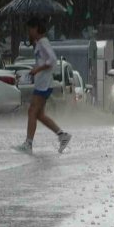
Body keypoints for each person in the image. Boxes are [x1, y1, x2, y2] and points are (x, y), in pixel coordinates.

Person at [14, 17, 71, 154]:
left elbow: (52, 60)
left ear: (35, 29)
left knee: (32, 112)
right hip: (42, 83)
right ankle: (62, 135)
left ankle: (28, 144)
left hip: (44, 84)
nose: (29, 32)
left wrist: (37, 70)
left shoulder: (43, 42)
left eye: (30, 29)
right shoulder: (39, 43)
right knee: (39, 115)